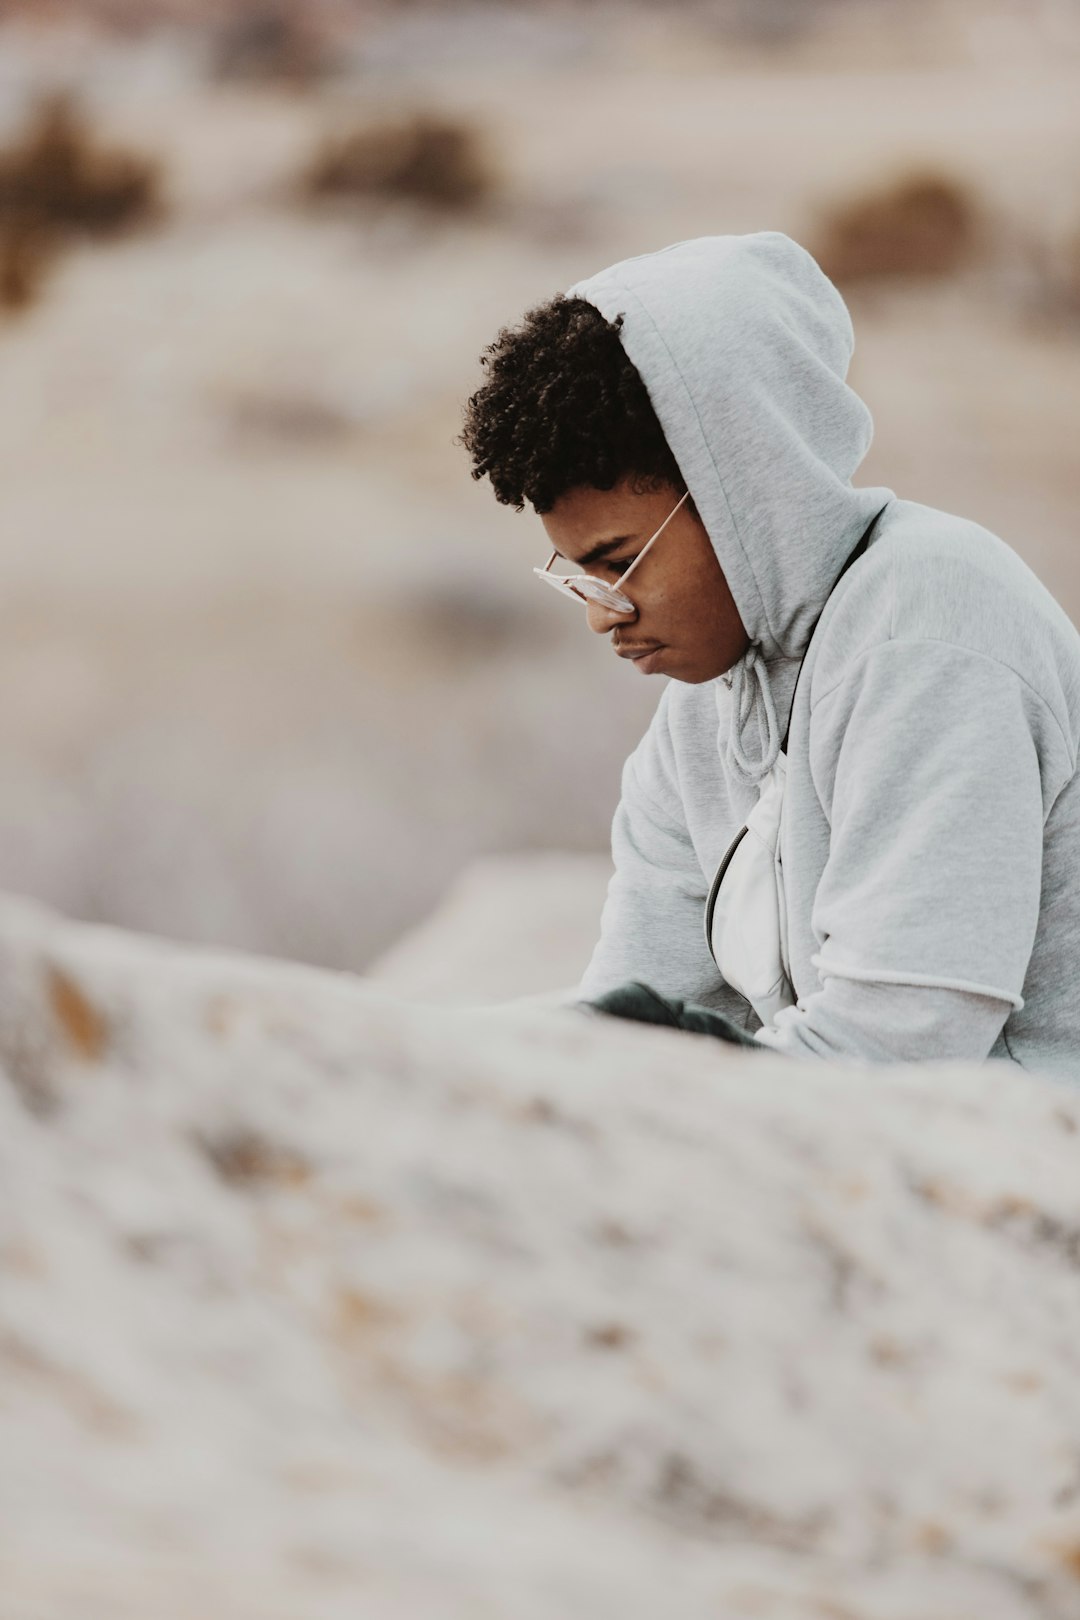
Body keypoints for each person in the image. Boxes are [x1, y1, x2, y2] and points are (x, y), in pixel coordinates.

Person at [459, 232, 1080, 1075]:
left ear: (745, 491)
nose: (605, 615)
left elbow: (904, 1039)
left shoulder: (929, 634)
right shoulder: (701, 713)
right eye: (577, 576)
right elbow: (633, 1019)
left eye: (618, 563)